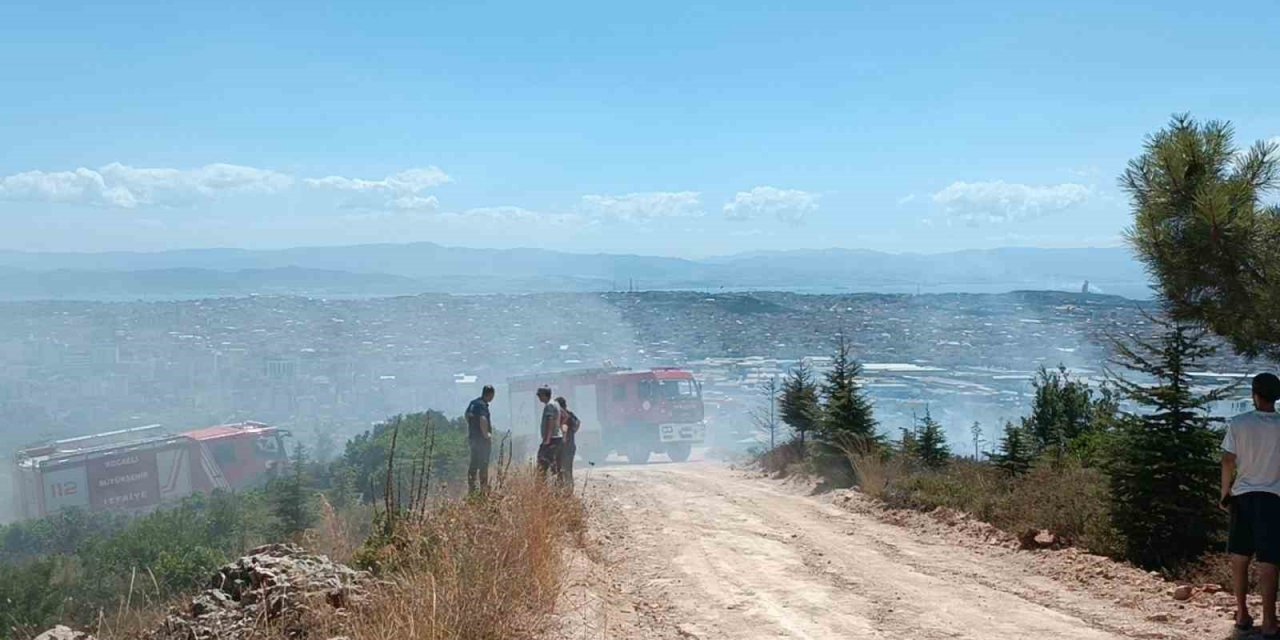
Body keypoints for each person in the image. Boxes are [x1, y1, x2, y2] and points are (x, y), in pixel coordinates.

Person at [1222, 372, 1280, 636]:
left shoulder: (1239, 423)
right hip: (1273, 497)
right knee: (1269, 560)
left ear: (1254, 395)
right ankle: (1269, 621)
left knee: (1240, 557)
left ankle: (1242, 613)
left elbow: (1227, 460)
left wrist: (1225, 491)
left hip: (1243, 495)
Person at [466, 385, 496, 493]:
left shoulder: (473, 403)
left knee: (473, 464)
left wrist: (473, 426)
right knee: (483, 464)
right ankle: (483, 488)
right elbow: (483, 419)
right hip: (482, 441)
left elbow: (467, 415)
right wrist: (486, 434)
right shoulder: (482, 405)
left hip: (473, 438)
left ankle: (472, 488)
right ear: (490, 394)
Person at [535, 387, 562, 479]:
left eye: (540, 395)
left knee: (542, 463)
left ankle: (542, 484)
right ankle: (556, 483)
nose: (539, 397)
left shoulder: (549, 406)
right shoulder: (556, 404)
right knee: (554, 464)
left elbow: (550, 421)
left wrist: (547, 439)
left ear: (544, 395)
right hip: (557, 438)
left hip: (551, 439)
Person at [555, 396, 581, 490]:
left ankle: (563, 489)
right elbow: (578, 423)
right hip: (570, 446)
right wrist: (572, 432)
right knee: (567, 470)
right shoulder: (570, 414)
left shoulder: (562, 416)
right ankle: (568, 489)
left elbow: (564, 428)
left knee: (560, 470)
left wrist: (564, 437)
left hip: (563, 447)